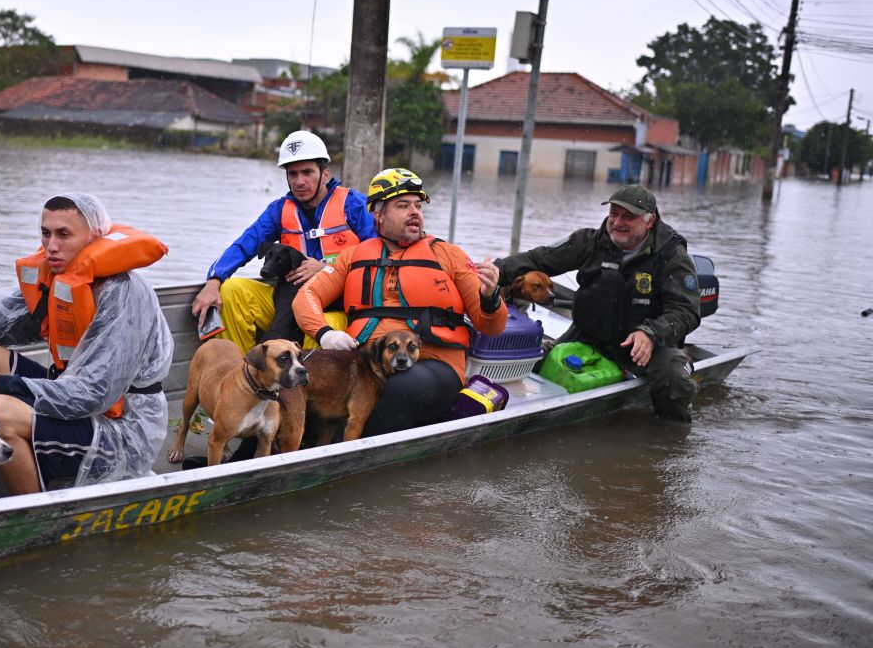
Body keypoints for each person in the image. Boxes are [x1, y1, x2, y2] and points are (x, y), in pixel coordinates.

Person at [0, 192, 174, 494]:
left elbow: (94, 394)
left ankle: (33, 515)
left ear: (93, 236)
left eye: (64, 234)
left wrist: (2, 385)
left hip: (124, 429)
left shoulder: (124, 292)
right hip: (68, 390)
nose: (51, 246)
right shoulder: (57, 272)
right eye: (45, 233)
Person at [292, 168, 508, 435]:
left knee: (401, 386)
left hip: (433, 365)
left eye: (418, 206)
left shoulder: (449, 255)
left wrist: (490, 298)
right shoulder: (352, 256)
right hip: (365, 365)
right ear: (378, 215)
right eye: (403, 206)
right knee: (296, 376)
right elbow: (306, 297)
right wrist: (325, 334)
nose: (414, 212)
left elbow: (491, 327)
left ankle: (338, 450)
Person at [496, 184, 700, 422]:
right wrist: (491, 272)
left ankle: (669, 437)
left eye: (628, 216)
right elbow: (536, 259)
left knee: (673, 380)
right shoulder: (589, 242)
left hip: (643, 344)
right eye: (614, 213)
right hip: (589, 333)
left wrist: (651, 333)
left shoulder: (671, 256)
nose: (617, 222)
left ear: (650, 220)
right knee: (531, 362)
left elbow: (686, 310)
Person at [190, 130, 377, 351]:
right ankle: (242, 375)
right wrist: (214, 281)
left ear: (325, 174)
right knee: (231, 290)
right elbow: (243, 245)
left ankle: (303, 384)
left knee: (323, 327)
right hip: (286, 303)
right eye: (293, 174)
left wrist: (328, 270)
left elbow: (377, 254)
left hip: (337, 308)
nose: (299, 181)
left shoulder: (354, 205)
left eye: (307, 172)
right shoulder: (278, 211)